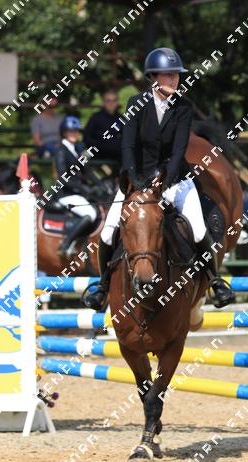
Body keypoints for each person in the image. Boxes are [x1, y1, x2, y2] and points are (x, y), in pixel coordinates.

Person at [82, 47, 235, 311]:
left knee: (198, 228)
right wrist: (134, 180)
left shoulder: (184, 107)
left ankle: (214, 281)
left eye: (176, 75)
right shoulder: (136, 104)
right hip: (138, 180)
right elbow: (128, 146)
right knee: (107, 233)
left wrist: (164, 182)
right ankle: (103, 287)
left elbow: (178, 150)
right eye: (168, 75)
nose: (174, 80)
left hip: (174, 180)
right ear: (153, 77)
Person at [53, 116, 100, 257]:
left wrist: (102, 185)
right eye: (70, 131)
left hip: (76, 193)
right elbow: (63, 178)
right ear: (64, 132)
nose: (73, 133)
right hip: (66, 194)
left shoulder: (76, 150)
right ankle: (65, 244)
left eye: (75, 131)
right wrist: (82, 187)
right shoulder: (61, 151)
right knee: (90, 214)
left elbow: (88, 172)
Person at [84, 89, 123, 163]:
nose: (111, 103)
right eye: (108, 101)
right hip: (99, 154)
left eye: (114, 100)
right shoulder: (95, 118)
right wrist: (100, 145)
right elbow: (87, 137)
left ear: (117, 102)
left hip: (118, 155)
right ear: (103, 102)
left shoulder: (121, 119)